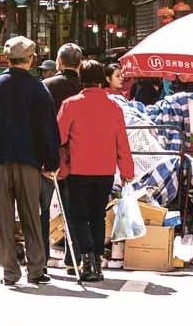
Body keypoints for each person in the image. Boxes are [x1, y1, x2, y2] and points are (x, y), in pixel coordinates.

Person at [0, 36, 60, 287]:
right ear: (31, 60)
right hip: (29, 162)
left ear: (6, 59)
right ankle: (36, 269)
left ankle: (10, 272)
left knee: (4, 217)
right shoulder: (38, 89)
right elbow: (48, 129)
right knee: (31, 215)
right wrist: (51, 162)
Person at [54, 61, 135, 282]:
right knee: (98, 217)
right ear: (101, 79)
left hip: (79, 171)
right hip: (105, 171)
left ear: (82, 79)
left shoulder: (71, 104)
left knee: (79, 216)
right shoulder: (114, 107)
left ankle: (88, 259)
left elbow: (59, 137)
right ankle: (97, 261)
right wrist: (127, 171)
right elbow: (122, 142)